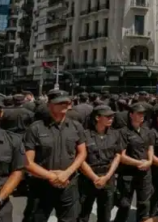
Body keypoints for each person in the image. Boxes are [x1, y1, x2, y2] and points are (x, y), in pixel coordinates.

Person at [23, 89, 87, 222]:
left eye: (67, 103)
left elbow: (82, 153)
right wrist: (51, 176)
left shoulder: (76, 126)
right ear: (49, 105)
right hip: (41, 185)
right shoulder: (36, 128)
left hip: (69, 184)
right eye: (60, 103)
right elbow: (28, 162)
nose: (65, 105)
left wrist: (66, 173)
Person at [78, 105, 123, 222]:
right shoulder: (85, 134)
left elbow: (118, 155)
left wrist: (107, 176)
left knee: (105, 213)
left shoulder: (115, 134)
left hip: (108, 177)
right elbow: (80, 158)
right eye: (107, 116)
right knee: (83, 213)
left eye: (112, 116)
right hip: (88, 178)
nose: (111, 118)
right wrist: (94, 178)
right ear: (97, 117)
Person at [115, 103, 154, 222]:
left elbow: (150, 148)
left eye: (143, 113)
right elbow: (121, 156)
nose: (142, 116)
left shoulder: (147, 131)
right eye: (139, 113)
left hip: (145, 173)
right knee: (124, 204)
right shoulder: (123, 132)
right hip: (128, 174)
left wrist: (150, 161)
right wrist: (138, 163)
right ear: (131, 115)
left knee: (144, 204)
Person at [0, 103, 25, 222]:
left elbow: (17, 171)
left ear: (1, 114)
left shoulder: (13, 141)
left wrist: (0, 197)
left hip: (1, 205)